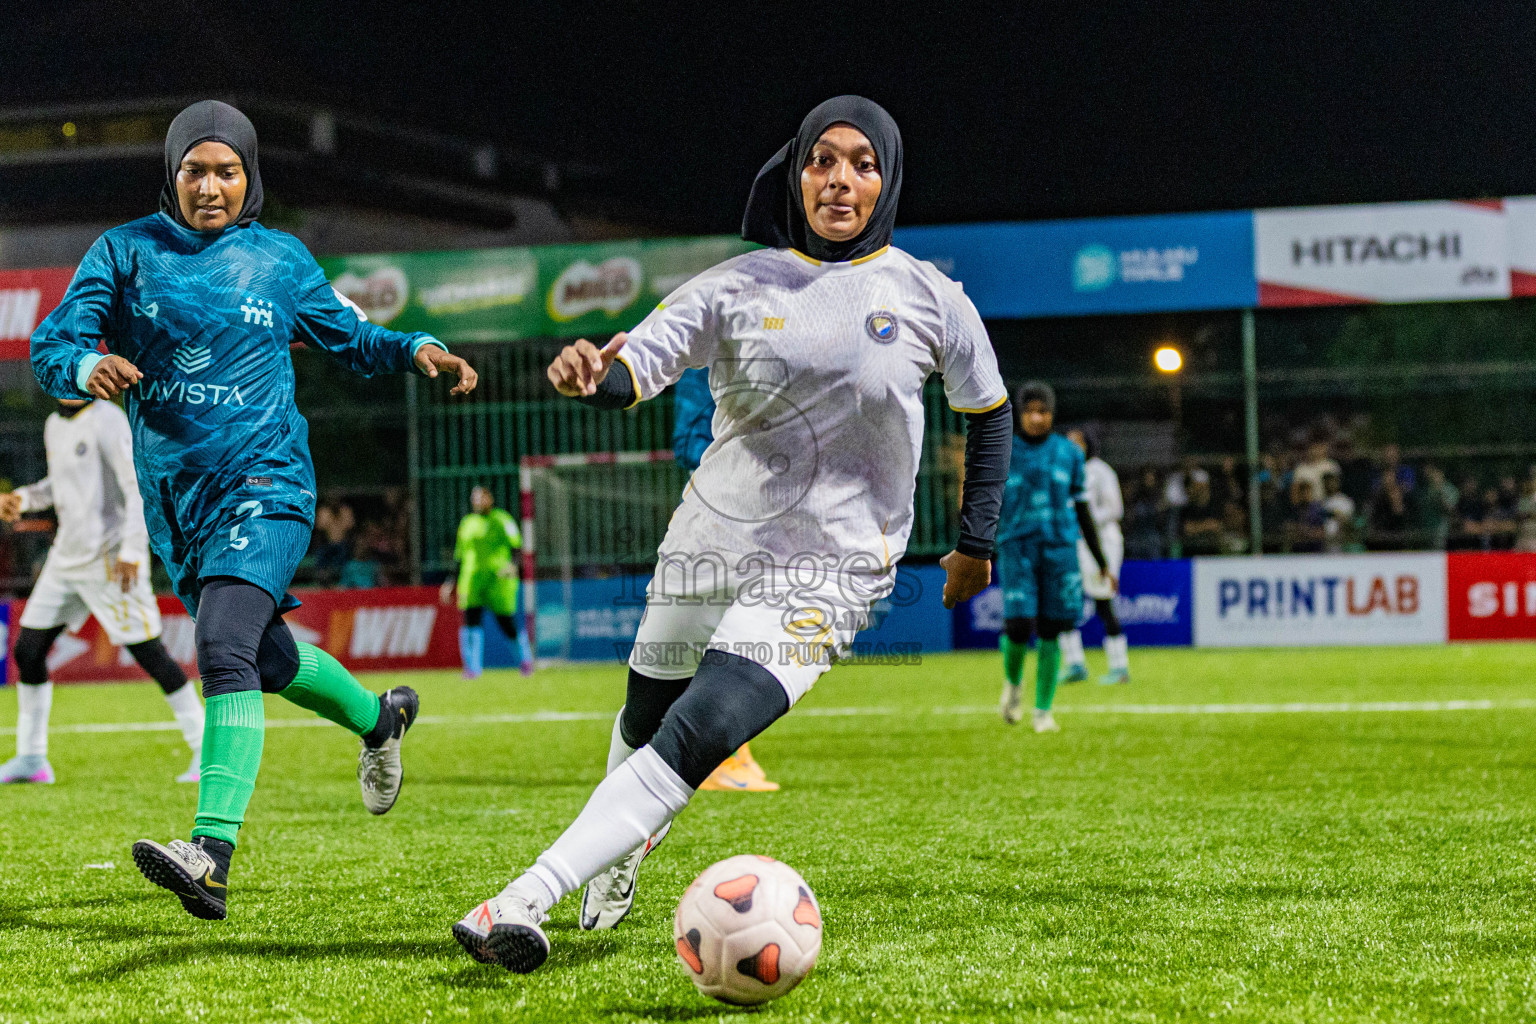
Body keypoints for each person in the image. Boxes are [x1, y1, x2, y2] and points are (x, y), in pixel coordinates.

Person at [451, 96, 1010, 972]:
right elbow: (634, 364)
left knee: (703, 728)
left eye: (863, 163)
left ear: (887, 180)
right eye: (823, 159)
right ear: (796, 174)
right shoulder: (737, 285)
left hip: (833, 570)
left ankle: (523, 897)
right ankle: (625, 854)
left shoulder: (931, 298)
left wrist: (976, 538)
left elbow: (990, 410)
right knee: (645, 712)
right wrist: (591, 372)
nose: (840, 179)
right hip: (710, 539)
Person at [29, 100, 478, 921]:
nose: (210, 186)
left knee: (224, 645)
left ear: (250, 177)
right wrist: (85, 363)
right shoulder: (124, 252)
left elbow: (350, 335)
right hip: (180, 506)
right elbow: (52, 343)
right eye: (194, 170)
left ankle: (211, 853)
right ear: (171, 175)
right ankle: (381, 722)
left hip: (268, 484)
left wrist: (417, 348)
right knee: (266, 659)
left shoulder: (279, 260)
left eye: (226, 171)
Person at [0, 398, 202, 784]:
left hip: (111, 560)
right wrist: (23, 499)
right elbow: (58, 487)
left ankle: (204, 751)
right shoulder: (54, 424)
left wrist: (131, 551)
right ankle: (31, 759)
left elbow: (136, 486)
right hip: (66, 558)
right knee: (28, 651)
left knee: (149, 652)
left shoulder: (108, 420)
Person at [668, 366, 778, 792]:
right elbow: (690, 438)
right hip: (720, 511)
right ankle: (714, 755)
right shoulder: (708, 356)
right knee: (720, 631)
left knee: (746, 631)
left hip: (765, 512)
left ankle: (728, 750)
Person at [996, 384, 1113, 731]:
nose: (1037, 417)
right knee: (1018, 625)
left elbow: (1082, 509)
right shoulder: (1003, 450)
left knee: (1052, 629)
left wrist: (1101, 559)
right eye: (1030, 410)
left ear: (1052, 413)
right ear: (1020, 413)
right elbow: (985, 504)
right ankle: (1013, 684)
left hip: (1060, 550)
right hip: (1017, 546)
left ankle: (1043, 711)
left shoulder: (1069, 454)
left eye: (1043, 411)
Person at [1057, 427, 1129, 685]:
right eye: (1069, 442)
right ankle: (1075, 663)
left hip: (1102, 542)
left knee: (1103, 603)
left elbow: (1114, 509)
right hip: (1075, 543)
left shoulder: (1101, 471)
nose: (1074, 447)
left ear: (1089, 444)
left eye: (1078, 442)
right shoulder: (1064, 471)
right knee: (1063, 600)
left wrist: (1083, 519)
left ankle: (1120, 667)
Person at [439, 484, 533, 677]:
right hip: (472, 580)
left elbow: (516, 547)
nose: (478, 501)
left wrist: (512, 565)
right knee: (471, 622)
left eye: (481, 497)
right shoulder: (467, 523)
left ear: (489, 498)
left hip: (498, 579)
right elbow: (459, 556)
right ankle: (472, 669)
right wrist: (450, 582)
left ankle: (525, 661)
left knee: (506, 622)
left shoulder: (502, 519)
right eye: (474, 498)